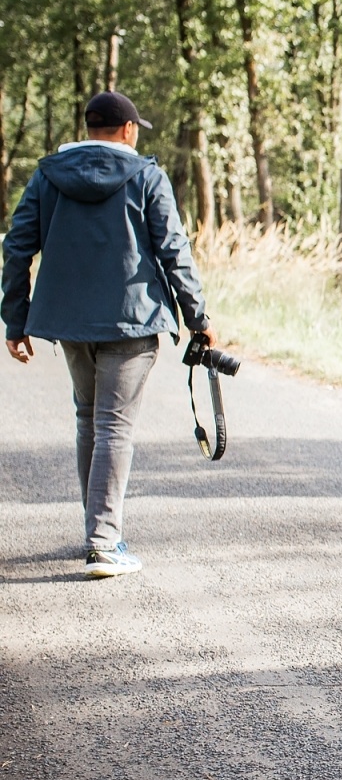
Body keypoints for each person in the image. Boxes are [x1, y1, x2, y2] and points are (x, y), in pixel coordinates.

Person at [2, 90, 214, 579]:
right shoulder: (146, 176)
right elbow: (174, 250)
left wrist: (16, 319)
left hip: (71, 322)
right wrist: (197, 317)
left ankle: (98, 531)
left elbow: (17, 246)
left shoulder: (48, 176)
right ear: (128, 130)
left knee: (89, 418)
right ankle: (103, 541)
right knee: (114, 425)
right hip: (133, 319)